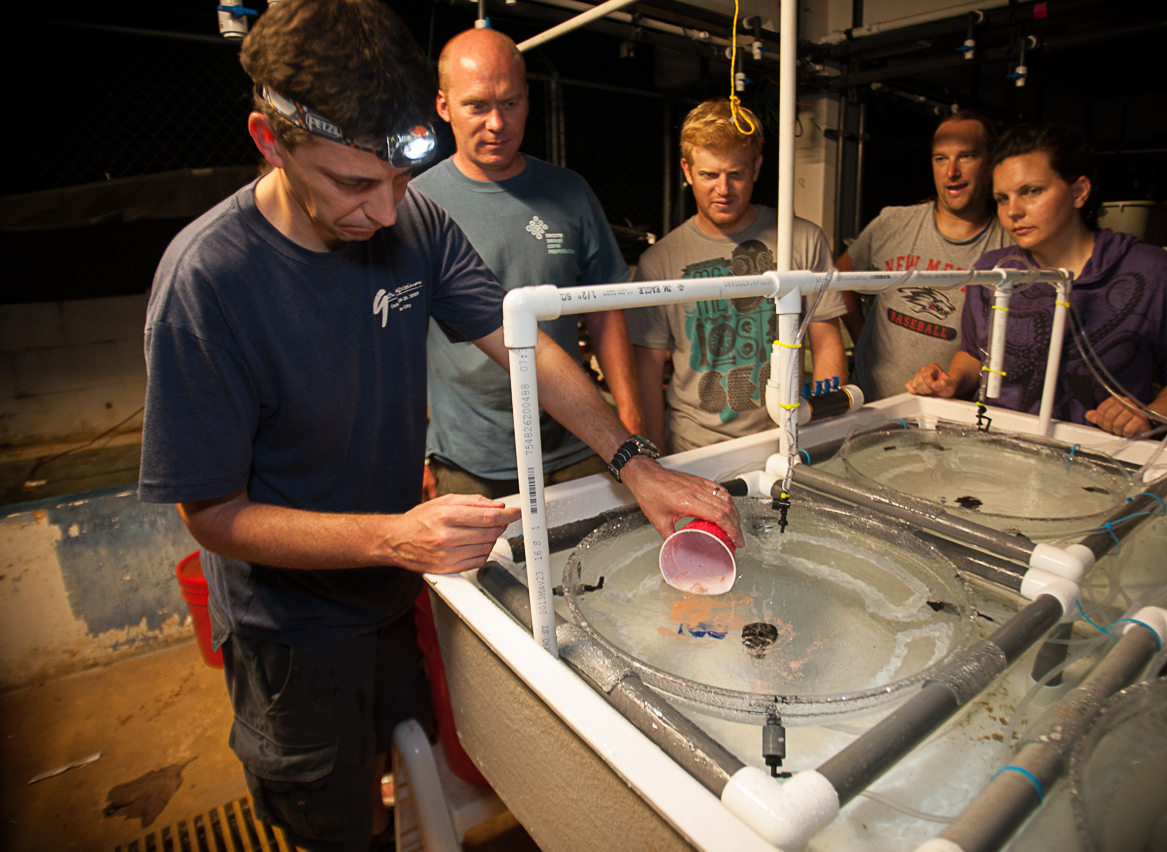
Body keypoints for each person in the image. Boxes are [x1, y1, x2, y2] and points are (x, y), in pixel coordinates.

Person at [136, 3, 740, 851]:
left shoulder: (413, 222)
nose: (387, 214)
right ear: (270, 141)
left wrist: (635, 462)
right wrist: (398, 538)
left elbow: (520, 345)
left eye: (399, 181)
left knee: (421, 766)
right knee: (338, 820)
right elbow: (209, 516)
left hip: (391, 598)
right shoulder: (207, 284)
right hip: (293, 634)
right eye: (353, 185)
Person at [411, 27, 642, 500]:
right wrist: (414, 449)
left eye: (510, 103)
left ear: (528, 100)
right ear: (443, 106)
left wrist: (630, 420)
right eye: (477, 105)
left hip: (577, 439)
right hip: (470, 456)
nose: (496, 123)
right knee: (485, 574)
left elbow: (605, 309)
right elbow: (398, 339)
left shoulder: (570, 192)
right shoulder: (416, 205)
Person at [906, 122, 1167, 436]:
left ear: (1080, 191)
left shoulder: (1156, 275)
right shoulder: (994, 272)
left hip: (1093, 459)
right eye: (1002, 198)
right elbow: (975, 354)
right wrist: (952, 382)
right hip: (993, 449)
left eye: (1031, 192)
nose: (1013, 211)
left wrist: (1148, 414)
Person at [626, 99, 847, 455]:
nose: (723, 189)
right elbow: (647, 372)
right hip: (695, 447)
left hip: (785, 439)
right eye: (709, 175)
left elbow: (827, 341)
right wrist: (657, 461)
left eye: (736, 174)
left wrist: (824, 435)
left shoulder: (803, 239)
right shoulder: (659, 262)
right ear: (686, 170)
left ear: (757, 167)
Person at [839, 110, 1011, 401]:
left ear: (991, 163)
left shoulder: (1008, 249)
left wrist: (953, 382)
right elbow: (840, 279)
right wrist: (862, 340)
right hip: (871, 404)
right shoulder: (892, 224)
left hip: (944, 417)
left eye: (966, 156)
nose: (951, 171)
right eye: (940, 158)